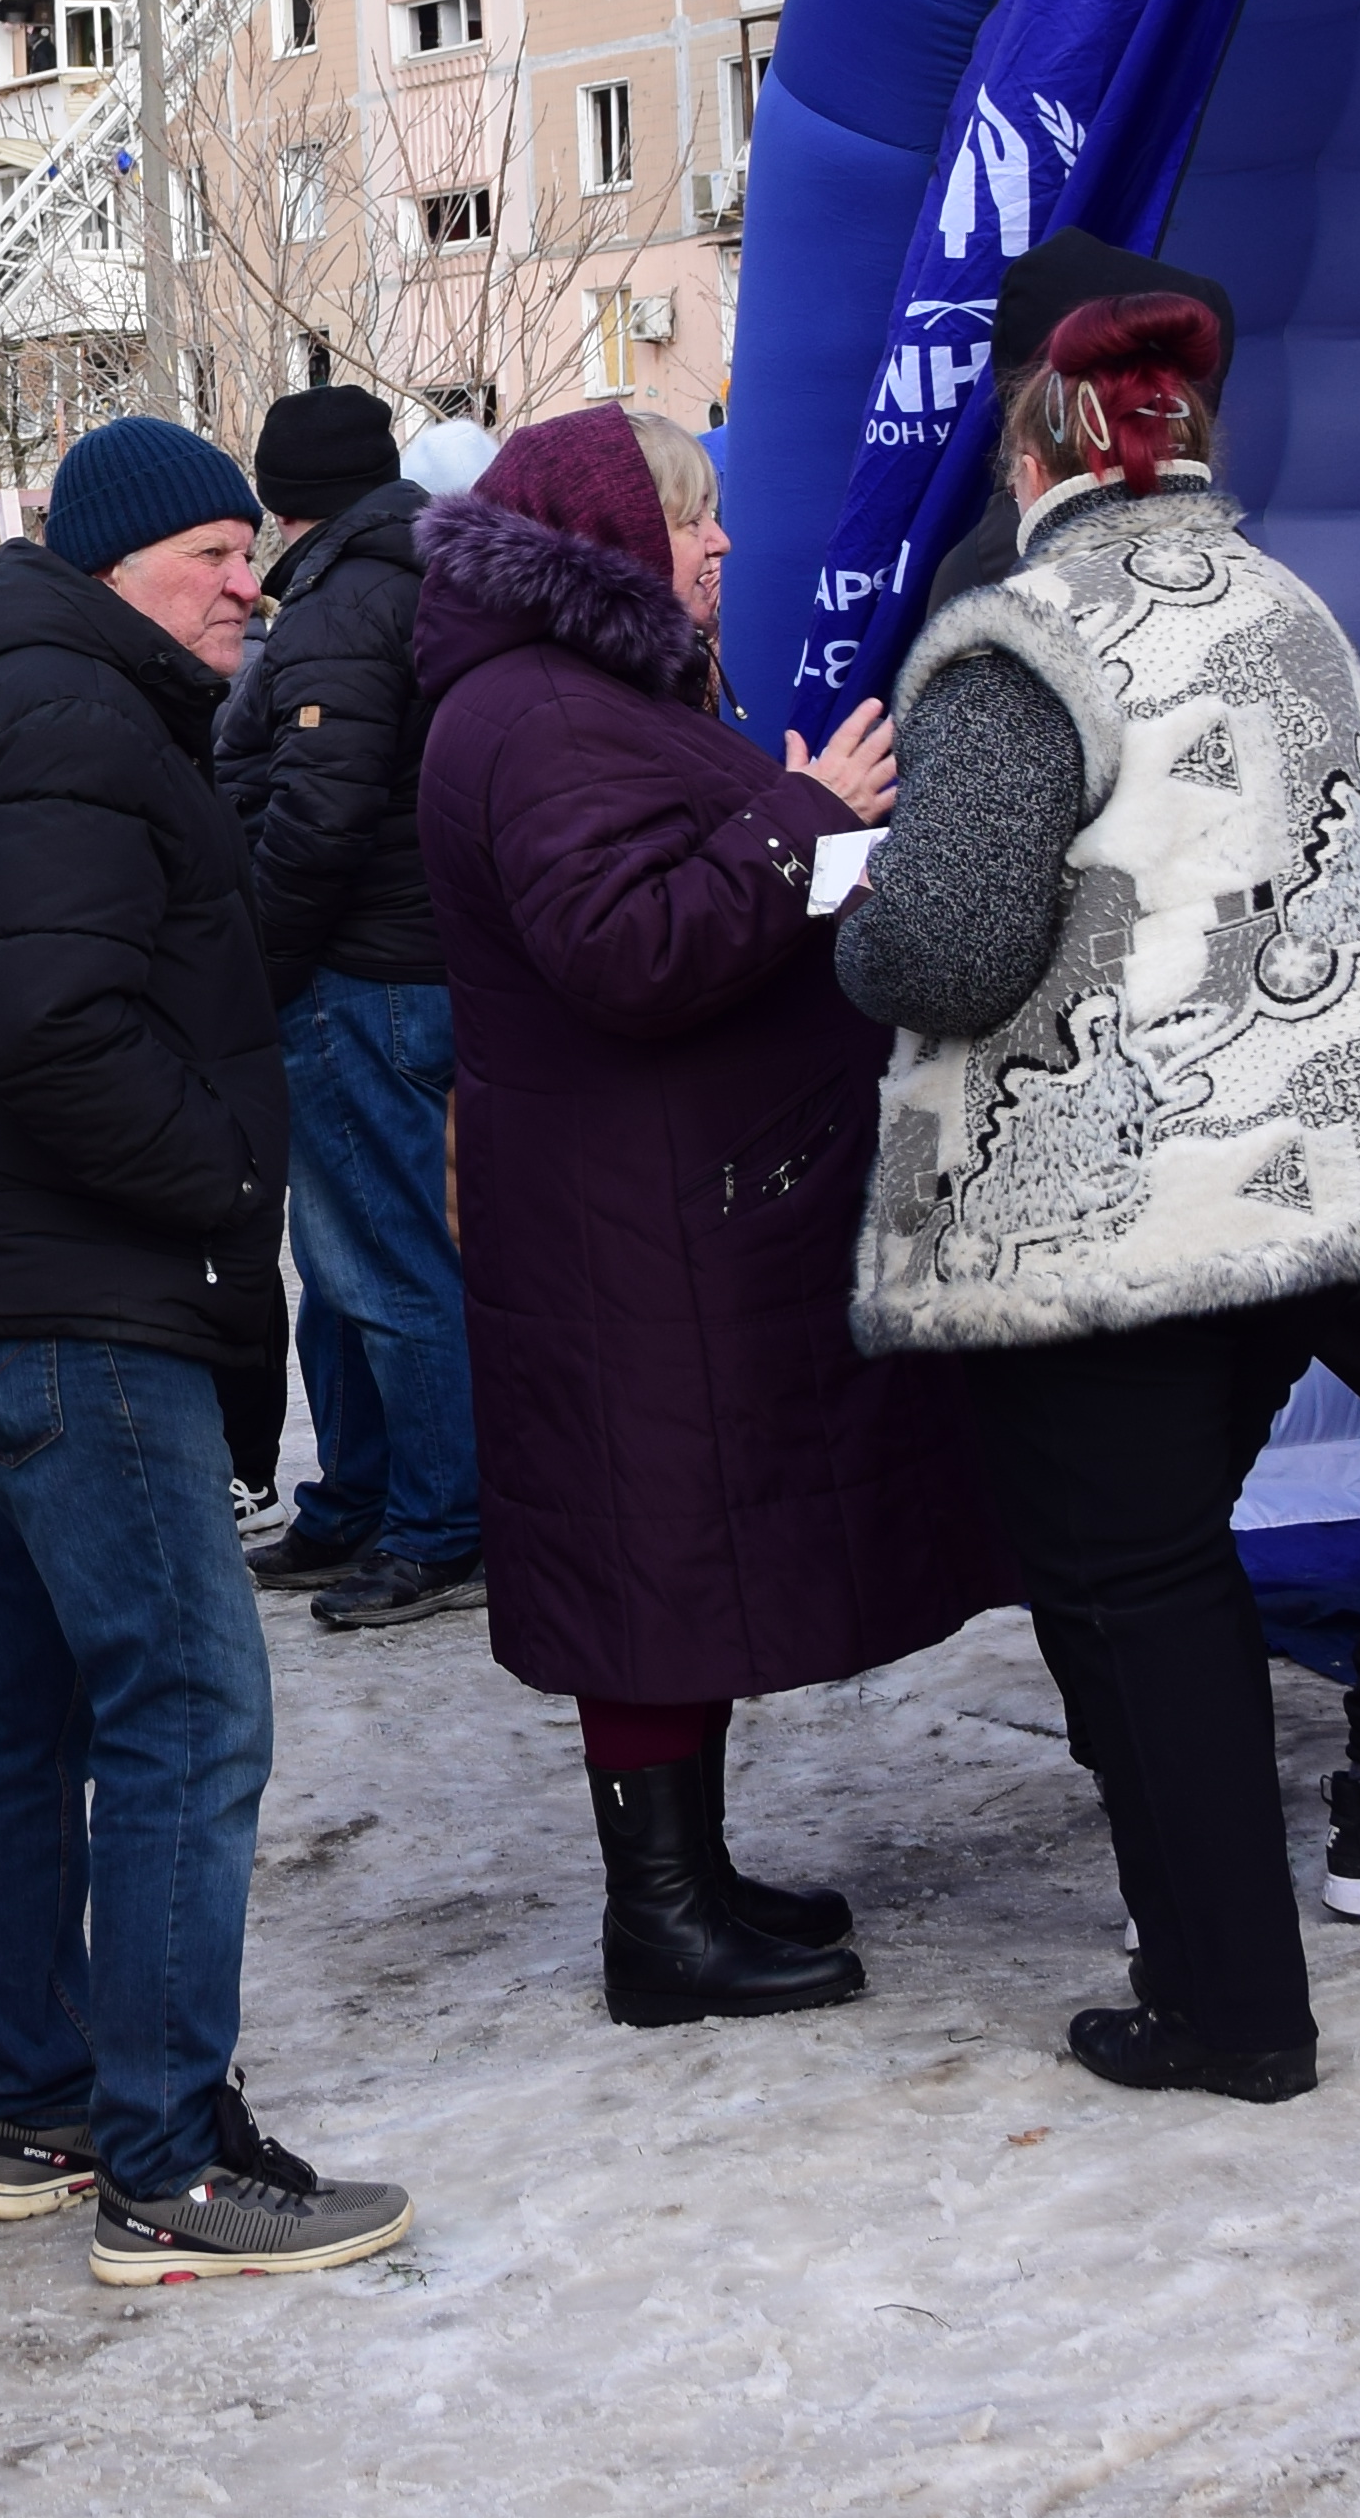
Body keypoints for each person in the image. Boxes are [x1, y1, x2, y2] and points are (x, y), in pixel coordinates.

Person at [908, 233, 1360, 1933]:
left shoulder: (1133, 579)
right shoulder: (1017, 603)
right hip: (1191, 1130)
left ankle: (1286, 1800)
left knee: (1252, 1466)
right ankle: (1341, 1800)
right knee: (1244, 1475)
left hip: (1254, 1116)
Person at [837, 296, 1360, 2107]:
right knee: (1172, 1585)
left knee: (1141, 1602)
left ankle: (1229, 2003)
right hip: (1297, 1184)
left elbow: (956, 948)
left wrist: (853, 933)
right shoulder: (1300, 620)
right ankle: (1215, 1969)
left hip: (1091, 1203)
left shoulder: (1023, 643)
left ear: (1038, 447)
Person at [0, 413, 414, 2282]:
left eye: (252, 552)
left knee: (21, 1714)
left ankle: (43, 2104)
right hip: (78, 1304)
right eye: (211, 558)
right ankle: (165, 2158)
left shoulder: (13, 710)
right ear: (112, 570)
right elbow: (58, 1031)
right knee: (184, 1709)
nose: (250, 585)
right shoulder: (79, 722)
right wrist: (215, 1181)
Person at [412, 406, 999, 2027]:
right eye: (691, 518)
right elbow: (629, 947)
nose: (720, 544)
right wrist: (808, 818)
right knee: (649, 1558)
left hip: (657, 1210)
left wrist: (816, 849)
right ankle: (662, 1923)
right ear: (603, 541)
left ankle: (689, 1881)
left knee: (670, 1555)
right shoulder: (540, 716)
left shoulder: (566, 695)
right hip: (634, 1226)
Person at [211, 384, 477, 1632]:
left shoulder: (339, 600)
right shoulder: (417, 567)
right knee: (348, 1257)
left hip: (356, 974)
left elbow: (315, 817)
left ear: (278, 498)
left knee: (382, 1259)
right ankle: (360, 1499)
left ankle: (437, 1523)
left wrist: (256, 967)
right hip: (404, 962)